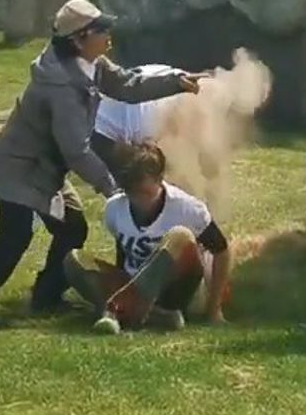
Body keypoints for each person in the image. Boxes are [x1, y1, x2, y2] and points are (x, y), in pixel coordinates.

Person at [0, 0, 203, 330]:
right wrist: (112, 188)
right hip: (18, 167)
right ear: (79, 39)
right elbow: (76, 151)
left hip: (47, 169)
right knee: (14, 234)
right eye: (100, 29)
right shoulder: (60, 87)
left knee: (72, 228)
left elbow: (127, 85)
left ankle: (47, 295)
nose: (108, 34)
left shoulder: (91, 63)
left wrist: (175, 81)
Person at [65, 140, 233, 333]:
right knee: (74, 260)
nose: (138, 200)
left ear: (160, 179)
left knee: (180, 236)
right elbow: (123, 251)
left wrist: (214, 308)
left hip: (176, 290)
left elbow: (222, 251)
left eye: (144, 192)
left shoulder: (187, 209)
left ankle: (117, 310)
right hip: (134, 285)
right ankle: (157, 316)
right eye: (131, 192)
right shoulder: (114, 208)